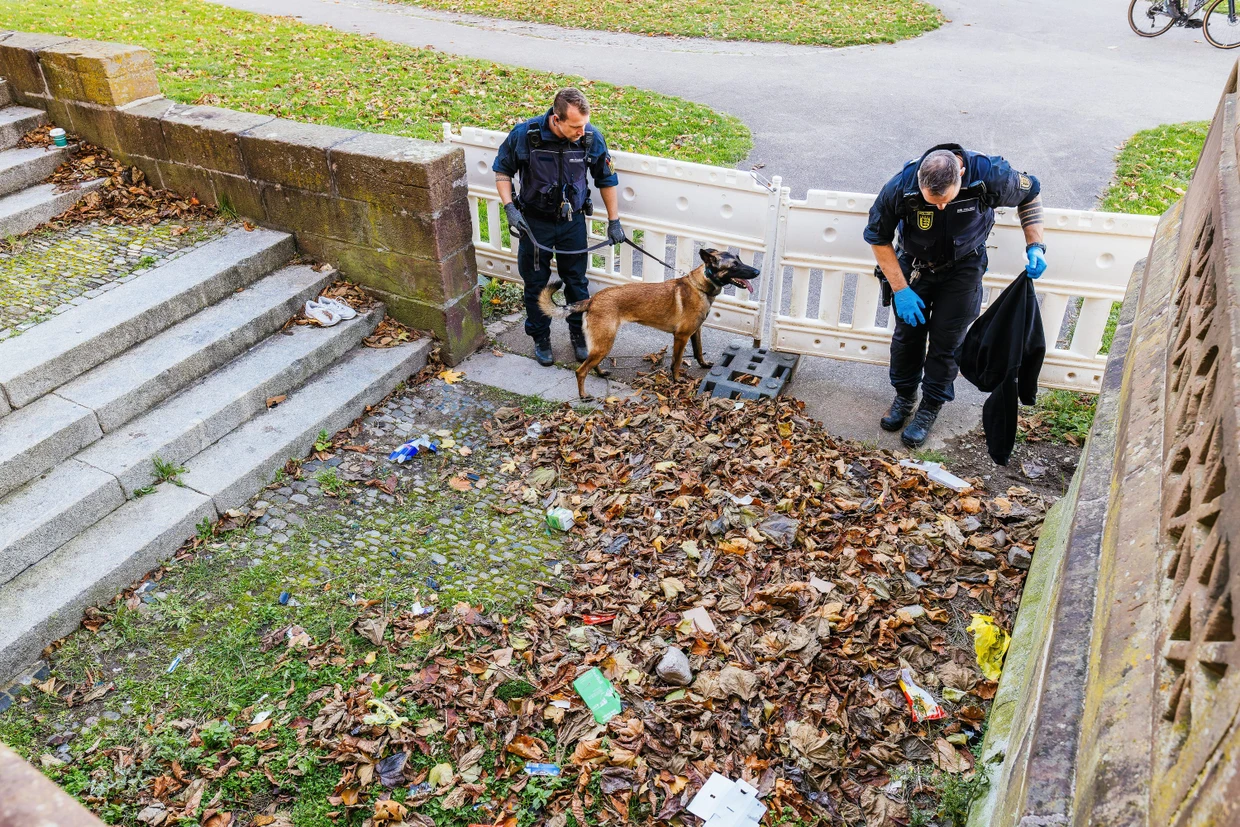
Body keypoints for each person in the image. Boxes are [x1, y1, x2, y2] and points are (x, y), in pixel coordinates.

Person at [863, 144, 1046, 448]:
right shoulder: (899, 186)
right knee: (907, 337)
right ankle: (904, 397)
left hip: (964, 268)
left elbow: (1031, 192)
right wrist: (901, 289)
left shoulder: (992, 176)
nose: (940, 208)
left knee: (948, 343)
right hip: (915, 266)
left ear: (961, 174)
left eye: (946, 200)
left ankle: (930, 406)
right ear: (919, 181)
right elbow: (878, 238)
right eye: (931, 202)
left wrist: (1035, 245)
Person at [492, 88, 625, 367]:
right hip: (534, 224)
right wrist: (509, 208)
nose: (581, 131)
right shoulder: (525, 134)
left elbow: (606, 179)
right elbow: (503, 171)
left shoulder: (590, 137)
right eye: (574, 126)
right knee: (536, 284)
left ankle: (578, 334)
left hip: (571, 222)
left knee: (577, 283)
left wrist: (614, 221)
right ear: (556, 119)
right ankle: (540, 337)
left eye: (584, 125)